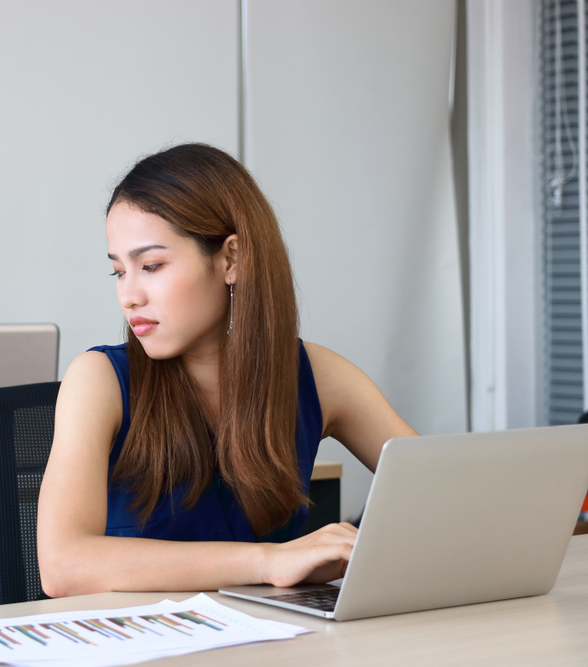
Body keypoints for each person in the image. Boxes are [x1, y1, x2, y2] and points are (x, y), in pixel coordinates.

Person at [37, 144, 418, 598]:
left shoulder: (317, 374)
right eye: (119, 271)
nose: (129, 295)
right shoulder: (98, 379)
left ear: (230, 260)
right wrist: (268, 561)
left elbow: (445, 489)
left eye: (151, 266)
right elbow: (62, 566)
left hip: (277, 632)